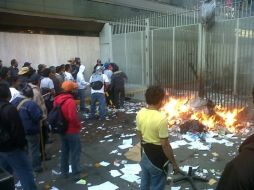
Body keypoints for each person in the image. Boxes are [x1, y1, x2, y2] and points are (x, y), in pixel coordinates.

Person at [136, 85, 179, 190]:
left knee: (145, 181)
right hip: (156, 159)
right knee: (157, 185)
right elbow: (165, 145)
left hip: (144, 155)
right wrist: (174, 164)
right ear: (160, 100)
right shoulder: (161, 118)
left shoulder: (140, 113)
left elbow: (139, 134)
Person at [0, 82, 37, 190]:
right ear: (8, 94)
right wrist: (22, 145)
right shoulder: (9, 109)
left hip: (2, 148)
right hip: (13, 148)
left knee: (6, 173)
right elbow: (18, 131)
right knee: (25, 172)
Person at [11, 83, 43, 173]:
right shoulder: (31, 104)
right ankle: (36, 167)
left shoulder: (14, 101)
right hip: (31, 130)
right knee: (34, 150)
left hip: (19, 131)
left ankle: (25, 166)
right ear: (30, 95)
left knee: (25, 149)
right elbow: (38, 116)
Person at [53, 81, 82, 180]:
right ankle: (75, 173)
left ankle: (64, 172)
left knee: (64, 151)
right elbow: (72, 118)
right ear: (71, 90)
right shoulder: (70, 101)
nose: (75, 90)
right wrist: (78, 125)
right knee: (75, 152)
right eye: (74, 89)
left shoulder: (57, 99)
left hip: (62, 129)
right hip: (72, 130)